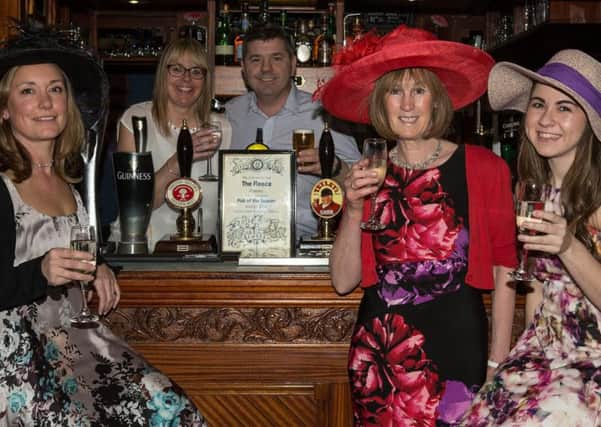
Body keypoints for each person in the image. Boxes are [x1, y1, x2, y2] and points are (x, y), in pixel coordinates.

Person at [0, 28, 206, 425]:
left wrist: (100, 264)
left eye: (56, 89)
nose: (45, 102)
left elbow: (70, 243)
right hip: (20, 357)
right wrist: (39, 271)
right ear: (4, 108)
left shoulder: (68, 175)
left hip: (76, 343)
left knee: (171, 410)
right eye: (28, 91)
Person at [316, 25, 518, 425]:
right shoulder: (367, 174)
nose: (407, 104)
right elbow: (342, 281)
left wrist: (498, 362)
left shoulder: (485, 168)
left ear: (437, 100)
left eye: (419, 90)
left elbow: (505, 268)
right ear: (380, 103)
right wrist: (353, 209)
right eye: (395, 91)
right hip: (382, 357)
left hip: (461, 348)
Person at [462, 50, 601, 425]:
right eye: (538, 104)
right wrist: (512, 359)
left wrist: (569, 246)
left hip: (590, 364)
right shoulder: (532, 191)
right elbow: (537, 288)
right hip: (543, 353)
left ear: (590, 122)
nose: (546, 119)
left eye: (565, 108)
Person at [225, 24, 361, 239]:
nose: (266, 69)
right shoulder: (229, 115)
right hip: (237, 243)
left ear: (293, 64)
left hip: (306, 244)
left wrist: (334, 167)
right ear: (243, 67)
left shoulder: (324, 114)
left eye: (276, 58)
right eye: (256, 59)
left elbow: (361, 182)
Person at [114, 38, 230, 250]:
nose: (186, 79)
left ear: (205, 80)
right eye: (177, 69)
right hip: (142, 250)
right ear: (162, 74)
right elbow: (135, 206)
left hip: (204, 257)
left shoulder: (222, 128)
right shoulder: (136, 120)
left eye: (196, 71)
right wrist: (178, 161)